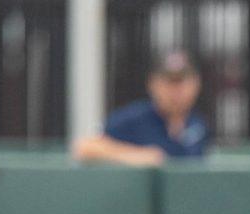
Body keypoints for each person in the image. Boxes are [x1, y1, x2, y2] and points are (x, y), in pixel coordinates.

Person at [73, 50, 208, 165]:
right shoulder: (133, 118)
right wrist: (136, 156)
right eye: (169, 83)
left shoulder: (197, 124)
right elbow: (85, 147)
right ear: (153, 84)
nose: (175, 91)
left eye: (181, 83)